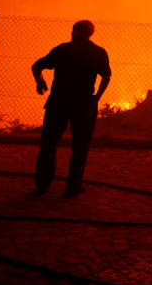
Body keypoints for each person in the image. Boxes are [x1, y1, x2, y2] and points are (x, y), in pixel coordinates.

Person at [32, 19, 111, 197]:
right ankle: (73, 186)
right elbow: (106, 76)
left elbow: (36, 66)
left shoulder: (63, 50)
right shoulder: (98, 52)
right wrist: (97, 97)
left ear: (74, 32)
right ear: (90, 34)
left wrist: (40, 81)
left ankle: (42, 184)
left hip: (58, 102)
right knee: (80, 147)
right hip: (84, 104)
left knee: (49, 144)